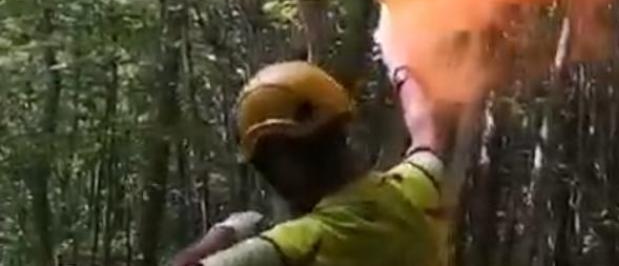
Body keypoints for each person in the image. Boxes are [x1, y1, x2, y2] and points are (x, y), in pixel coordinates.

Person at [171, 61, 452, 266]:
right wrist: (403, 71)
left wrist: (222, 234)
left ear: (283, 162)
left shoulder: (307, 241)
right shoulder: (413, 189)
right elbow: (426, 129)